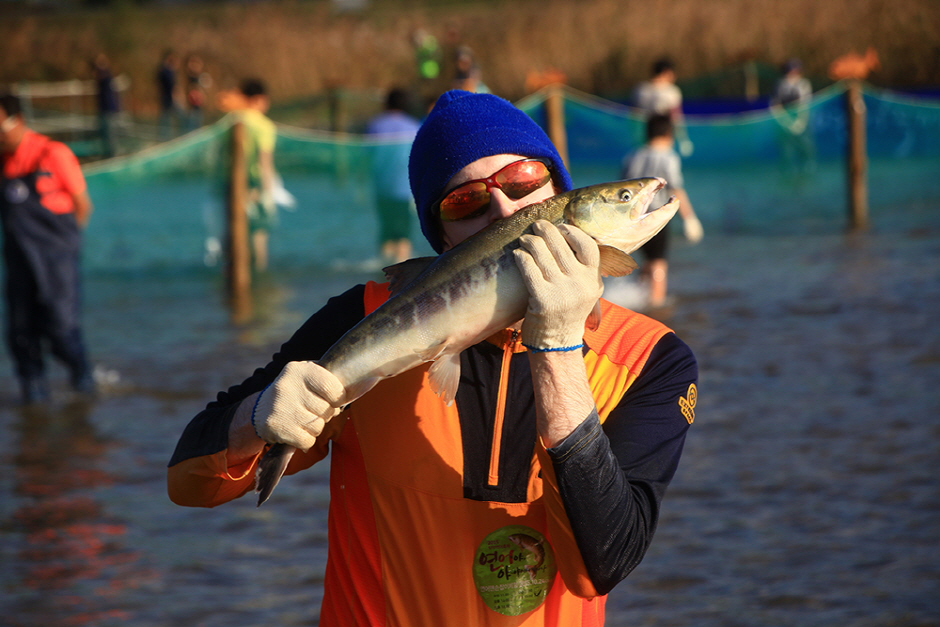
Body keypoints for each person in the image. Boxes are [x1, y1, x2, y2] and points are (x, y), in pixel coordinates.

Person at [168, 90, 698, 626]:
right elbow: (188, 483)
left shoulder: (651, 359)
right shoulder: (361, 315)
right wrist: (257, 419)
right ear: (441, 238)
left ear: (560, 188)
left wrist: (557, 342)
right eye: (466, 202)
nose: (506, 210)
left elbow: (601, 565)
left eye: (523, 182)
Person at [0, 92, 95, 404]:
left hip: (57, 260)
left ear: (19, 121)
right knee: (20, 335)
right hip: (18, 262)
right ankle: (34, 405)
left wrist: (67, 248)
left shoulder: (52, 153)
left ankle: (84, 386)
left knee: (61, 330)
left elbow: (83, 205)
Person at [620, 114, 703, 310]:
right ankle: (656, 306)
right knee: (658, 263)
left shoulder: (633, 155)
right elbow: (676, 188)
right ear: (668, 134)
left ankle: (640, 301)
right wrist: (689, 218)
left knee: (646, 261)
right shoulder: (668, 157)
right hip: (656, 217)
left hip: (633, 217)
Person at [365, 88, 421, 264]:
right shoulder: (413, 126)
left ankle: (383, 272)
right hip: (404, 190)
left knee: (386, 231)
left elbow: (366, 156)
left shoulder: (374, 126)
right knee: (402, 234)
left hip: (381, 188)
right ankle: (401, 275)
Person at [233, 78, 278, 272]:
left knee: (237, 234)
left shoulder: (233, 121)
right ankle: (259, 274)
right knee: (259, 234)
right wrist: (268, 191)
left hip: (233, 186)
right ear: (259, 99)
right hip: (254, 185)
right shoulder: (264, 125)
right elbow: (264, 161)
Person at [633, 57, 693, 157]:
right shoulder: (671, 91)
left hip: (643, 135)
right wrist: (683, 139)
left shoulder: (639, 89)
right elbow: (676, 116)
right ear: (666, 72)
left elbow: (633, 113)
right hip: (662, 136)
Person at [770, 58, 815, 176]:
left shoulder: (803, 84)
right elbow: (775, 106)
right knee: (786, 151)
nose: (793, 74)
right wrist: (786, 123)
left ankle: (806, 173)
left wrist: (800, 123)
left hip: (802, 123)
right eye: (791, 71)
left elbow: (804, 104)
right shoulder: (780, 85)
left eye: (796, 71)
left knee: (806, 149)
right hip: (784, 124)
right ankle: (788, 174)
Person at [91, 53, 120, 158]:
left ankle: (112, 154)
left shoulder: (106, 75)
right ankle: (108, 153)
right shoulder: (100, 76)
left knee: (110, 133)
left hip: (109, 109)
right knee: (105, 133)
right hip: (103, 109)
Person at [156, 49, 183, 140]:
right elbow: (171, 86)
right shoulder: (165, 71)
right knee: (169, 117)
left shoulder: (168, 71)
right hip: (167, 99)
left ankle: (170, 135)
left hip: (168, 98)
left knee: (169, 117)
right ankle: (166, 137)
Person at [184, 53, 212, 132]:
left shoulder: (199, 76)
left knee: (197, 118)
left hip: (198, 103)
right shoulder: (191, 77)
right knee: (193, 118)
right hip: (193, 102)